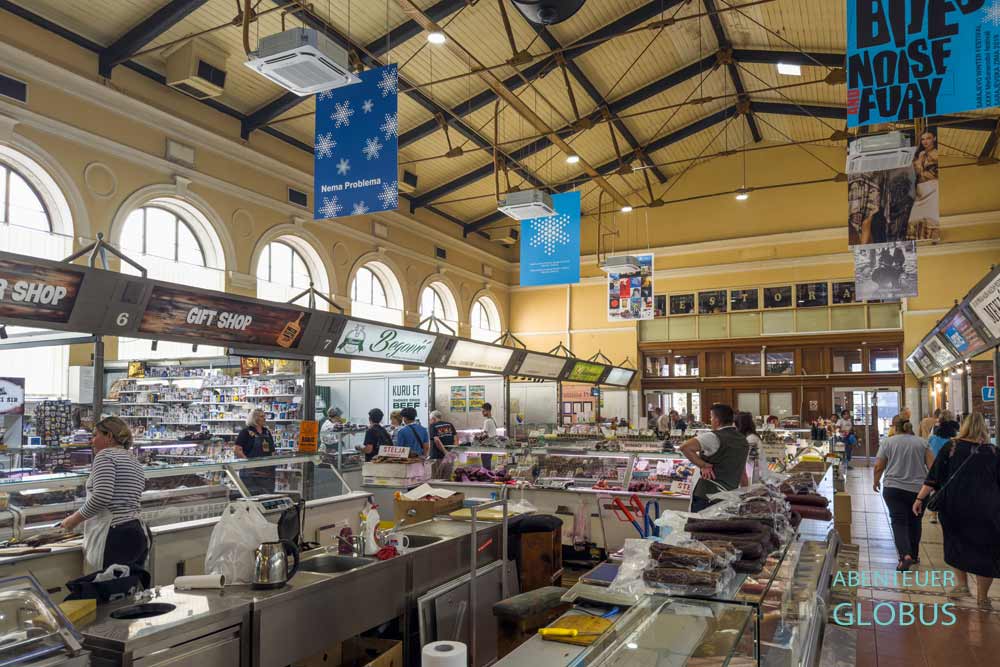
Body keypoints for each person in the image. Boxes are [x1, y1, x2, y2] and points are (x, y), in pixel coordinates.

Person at [913, 413, 1000, 609]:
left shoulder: (951, 447)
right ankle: (983, 597)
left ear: (964, 427)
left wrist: (920, 498)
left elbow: (933, 476)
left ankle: (962, 585)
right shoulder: (994, 452)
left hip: (955, 507)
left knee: (956, 543)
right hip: (987, 509)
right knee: (986, 550)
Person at [60, 417, 148, 571]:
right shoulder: (133, 459)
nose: (92, 441)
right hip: (137, 531)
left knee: (104, 588)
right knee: (126, 589)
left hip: (114, 535)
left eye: (95, 435)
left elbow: (102, 497)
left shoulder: (105, 456)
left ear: (109, 436)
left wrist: (73, 520)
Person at [872, 419, 934, 571]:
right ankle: (913, 555)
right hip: (918, 490)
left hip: (893, 489)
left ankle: (904, 556)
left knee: (898, 522)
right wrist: (932, 486)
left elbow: (879, 466)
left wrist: (876, 481)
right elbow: (933, 466)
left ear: (896, 428)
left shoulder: (888, 442)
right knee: (915, 521)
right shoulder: (922, 443)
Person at [680, 404, 750, 513]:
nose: (711, 420)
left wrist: (703, 465)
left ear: (717, 420)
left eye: (711, 418)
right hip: (730, 496)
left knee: (700, 529)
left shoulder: (712, 437)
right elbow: (743, 474)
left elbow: (685, 447)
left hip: (707, 497)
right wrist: (745, 496)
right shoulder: (743, 440)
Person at [235, 408, 276, 495]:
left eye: (264, 416)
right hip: (250, 473)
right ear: (254, 418)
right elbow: (237, 450)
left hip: (266, 473)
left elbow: (272, 451)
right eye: (262, 416)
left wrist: (272, 466)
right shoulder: (245, 432)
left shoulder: (267, 432)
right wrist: (248, 464)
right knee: (252, 498)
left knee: (267, 497)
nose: (264, 418)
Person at [428, 410, 456, 478]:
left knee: (437, 479)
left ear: (433, 419)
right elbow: (456, 438)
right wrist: (452, 452)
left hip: (437, 457)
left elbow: (437, 440)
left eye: (430, 419)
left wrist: (445, 452)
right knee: (447, 479)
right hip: (450, 457)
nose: (429, 421)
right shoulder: (450, 424)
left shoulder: (433, 426)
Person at [735, 412, 761, 485]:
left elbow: (750, 461)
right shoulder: (750, 437)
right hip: (751, 475)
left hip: (752, 478)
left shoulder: (751, 439)